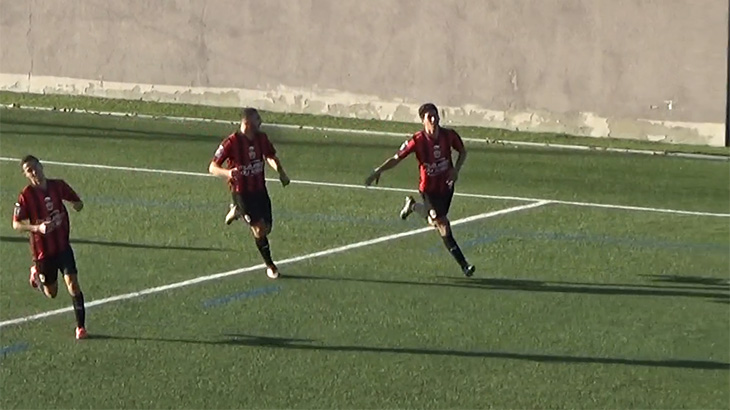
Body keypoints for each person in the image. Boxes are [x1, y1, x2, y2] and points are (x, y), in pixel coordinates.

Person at [365, 103, 475, 277]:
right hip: (428, 189)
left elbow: (462, 152)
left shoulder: (449, 135)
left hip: (446, 186)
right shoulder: (416, 141)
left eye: (435, 115)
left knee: (435, 221)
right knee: (442, 223)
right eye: (429, 117)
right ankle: (464, 265)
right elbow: (397, 158)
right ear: (422, 120)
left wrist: (456, 170)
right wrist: (379, 170)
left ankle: (414, 207)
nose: (434, 119)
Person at [209, 107, 290, 279]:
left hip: (260, 190)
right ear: (247, 123)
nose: (260, 122)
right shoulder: (231, 142)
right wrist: (228, 173)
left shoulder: (261, 138)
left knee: (267, 228)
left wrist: (280, 172)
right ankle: (270, 266)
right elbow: (212, 167)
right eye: (257, 119)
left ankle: (237, 210)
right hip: (242, 192)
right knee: (259, 229)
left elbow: (269, 156)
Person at [12, 155, 88, 339]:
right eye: (29, 170)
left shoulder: (58, 186)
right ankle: (36, 274)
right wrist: (37, 228)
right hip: (43, 253)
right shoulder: (26, 196)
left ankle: (81, 327)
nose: (34, 172)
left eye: (35, 167)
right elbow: (16, 224)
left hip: (63, 246)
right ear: (26, 175)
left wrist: (77, 204)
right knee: (51, 293)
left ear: (41, 165)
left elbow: (78, 203)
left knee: (73, 284)